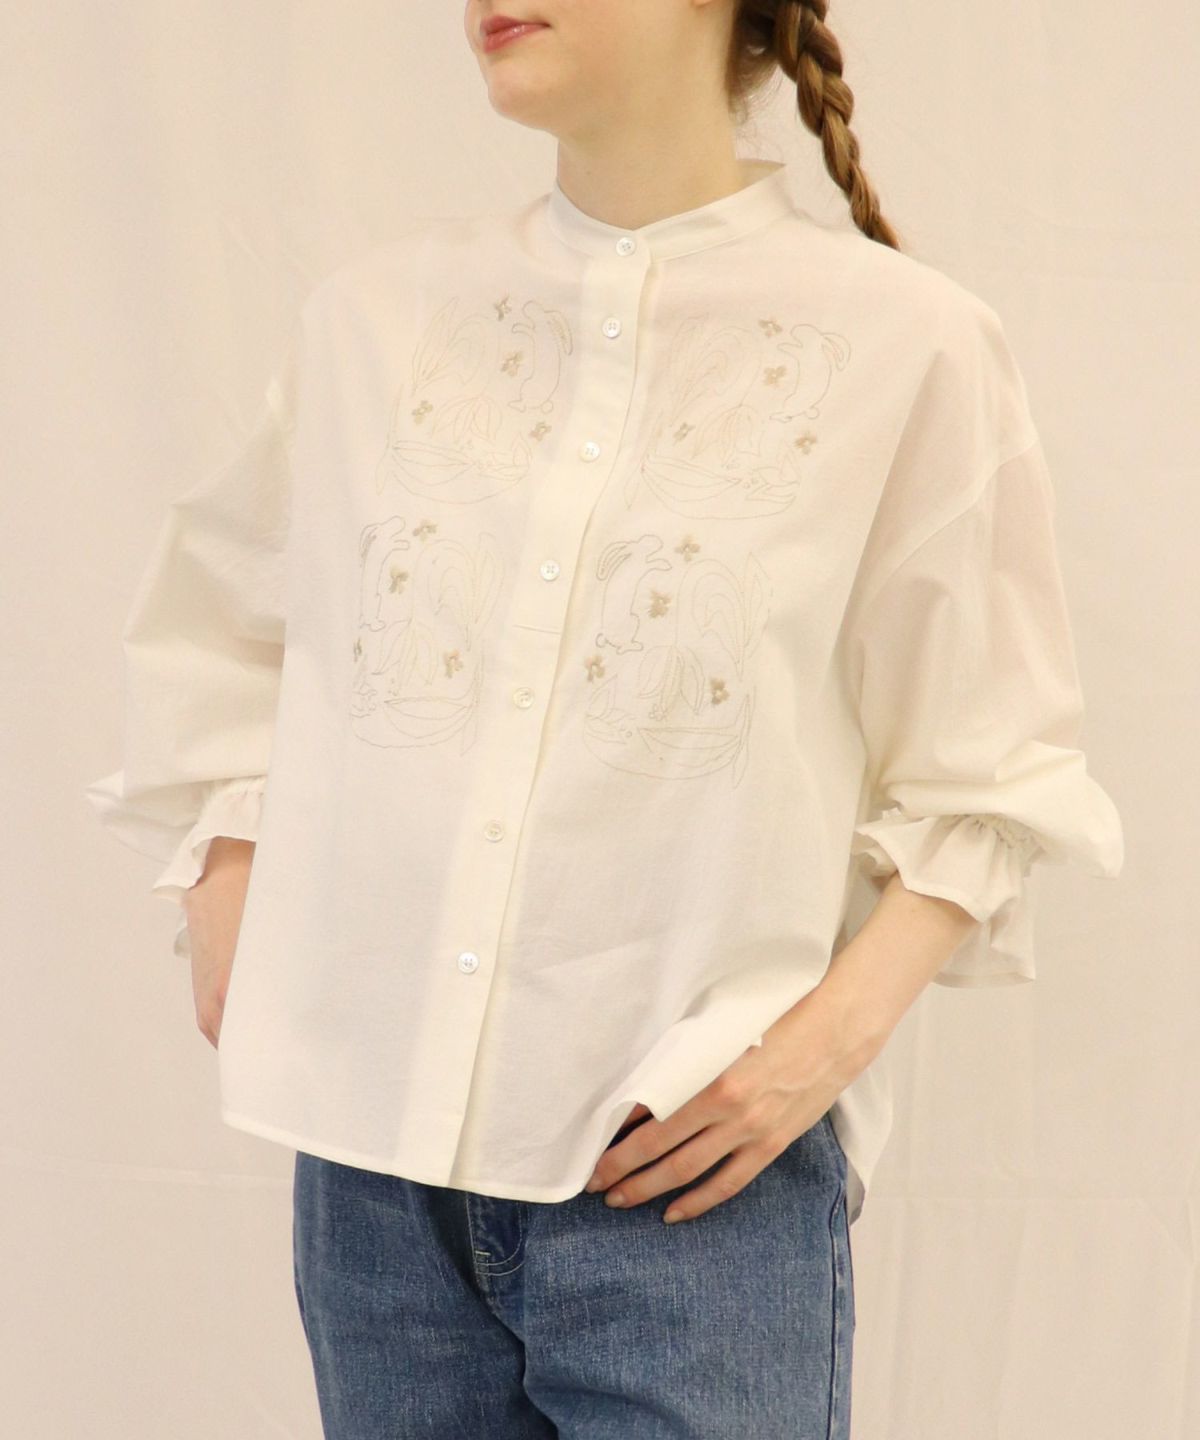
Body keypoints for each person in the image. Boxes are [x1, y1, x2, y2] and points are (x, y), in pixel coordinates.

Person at [85, 1, 1125, 1435]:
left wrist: (809, 1059)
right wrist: (226, 886)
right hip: (373, 1179)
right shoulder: (377, 321)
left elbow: (994, 767)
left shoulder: (908, 342)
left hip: (693, 1185)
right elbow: (222, 628)